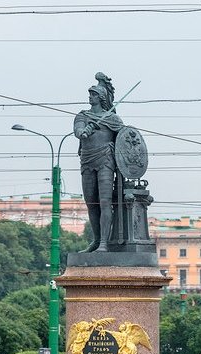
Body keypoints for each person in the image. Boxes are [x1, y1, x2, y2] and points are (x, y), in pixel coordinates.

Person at [73, 72, 125, 253]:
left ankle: (104, 243)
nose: (90, 96)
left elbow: (125, 141)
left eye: (93, 94)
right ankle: (96, 240)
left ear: (101, 97)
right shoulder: (82, 116)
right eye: (90, 94)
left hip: (105, 160)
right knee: (91, 203)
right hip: (87, 159)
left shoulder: (113, 119)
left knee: (105, 201)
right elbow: (78, 132)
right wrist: (86, 130)